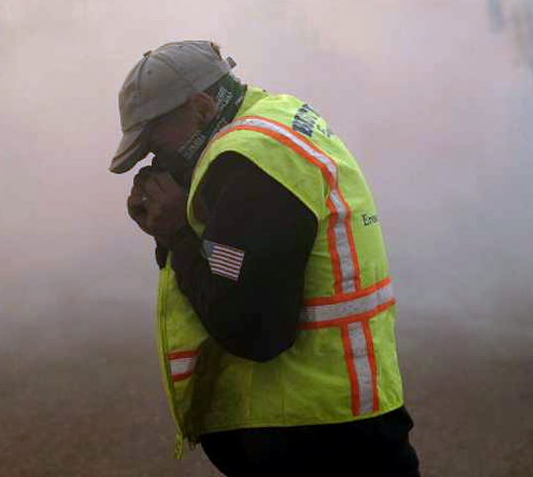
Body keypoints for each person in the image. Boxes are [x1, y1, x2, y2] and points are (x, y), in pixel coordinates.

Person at [109, 40, 420, 476]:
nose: (157, 160)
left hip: (310, 436)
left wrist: (177, 233)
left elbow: (253, 330)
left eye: (157, 141)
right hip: (339, 423)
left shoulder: (247, 163)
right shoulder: (274, 119)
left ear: (200, 107)